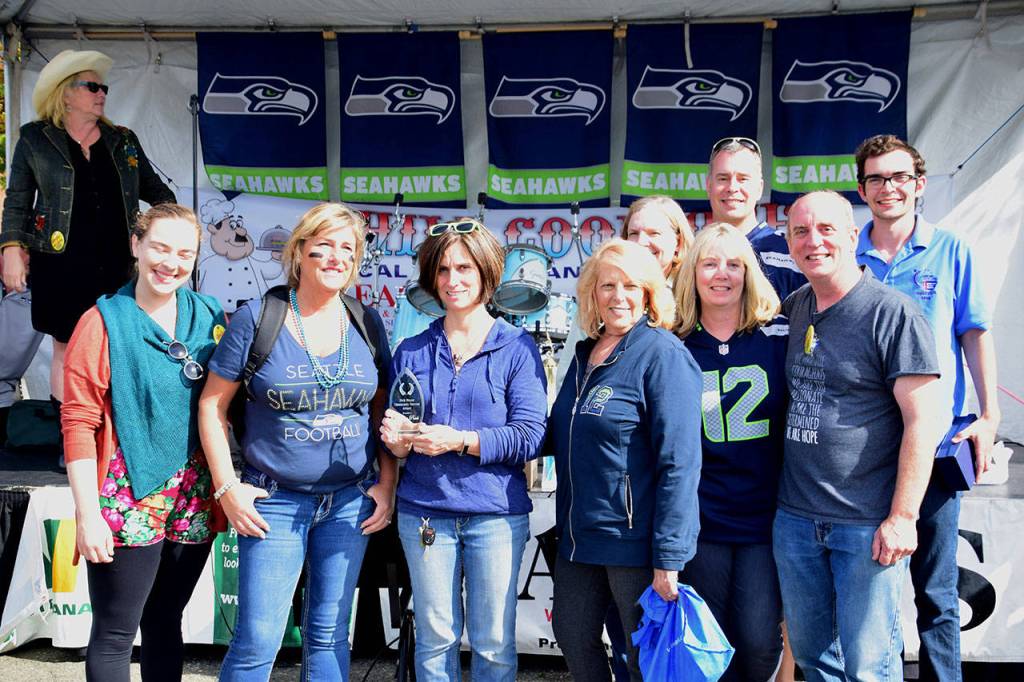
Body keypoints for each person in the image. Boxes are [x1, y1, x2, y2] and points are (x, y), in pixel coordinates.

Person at [198, 203, 396, 680]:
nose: (335, 257)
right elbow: (211, 406)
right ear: (300, 251)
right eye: (323, 245)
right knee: (257, 641)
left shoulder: (366, 323)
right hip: (275, 501)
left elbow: (383, 411)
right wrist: (228, 488)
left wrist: (386, 484)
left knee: (329, 637)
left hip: (349, 503)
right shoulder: (258, 317)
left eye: (346, 249)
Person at [774, 191, 944, 681]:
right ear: (789, 241)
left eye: (827, 229)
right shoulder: (796, 308)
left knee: (871, 667)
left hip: (866, 525)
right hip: (796, 520)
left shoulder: (893, 313)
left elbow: (923, 420)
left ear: (853, 236)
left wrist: (903, 517)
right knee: (813, 659)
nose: (814, 241)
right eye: (801, 232)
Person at [855, 134, 999, 682]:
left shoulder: (951, 249)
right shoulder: (849, 252)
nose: (887, 188)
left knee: (936, 592)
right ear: (862, 188)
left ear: (918, 185)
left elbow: (975, 335)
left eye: (898, 177)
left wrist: (989, 416)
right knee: (873, 588)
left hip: (935, 441)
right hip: (865, 444)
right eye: (875, 179)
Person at [379, 218, 548, 682]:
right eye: (444, 270)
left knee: (493, 643)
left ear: (488, 275)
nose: (454, 280)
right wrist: (395, 439)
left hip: (495, 514)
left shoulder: (518, 347)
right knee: (435, 638)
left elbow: (531, 436)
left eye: (466, 268)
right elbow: (397, 428)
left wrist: (462, 440)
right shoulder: (411, 350)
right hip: (425, 512)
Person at [61, 204, 225, 681]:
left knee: (164, 621)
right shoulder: (102, 321)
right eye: (159, 247)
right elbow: (78, 422)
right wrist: (87, 514)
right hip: (126, 492)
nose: (170, 263)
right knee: (115, 634)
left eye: (184, 253)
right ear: (136, 246)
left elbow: (227, 399)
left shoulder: (210, 315)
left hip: (193, 495)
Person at [0, 49, 175, 466]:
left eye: (104, 88)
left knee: (118, 348)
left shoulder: (123, 140)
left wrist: (158, 233)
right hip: (59, 263)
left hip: (116, 260)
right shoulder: (35, 139)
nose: (101, 94)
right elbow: (18, 201)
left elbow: (159, 192)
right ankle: (73, 444)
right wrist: (10, 249)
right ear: (66, 95)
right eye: (92, 87)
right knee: (67, 349)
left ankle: (115, 440)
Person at [548, 238, 702, 682]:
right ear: (592, 294)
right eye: (607, 285)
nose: (619, 297)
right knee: (574, 637)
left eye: (631, 286)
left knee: (644, 662)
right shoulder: (583, 356)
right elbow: (555, 434)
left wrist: (669, 557)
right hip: (578, 540)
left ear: (649, 293)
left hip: (634, 545)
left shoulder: (663, 354)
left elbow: (681, 463)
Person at [674, 224, 787, 681]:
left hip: (763, 515)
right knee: (709, 644)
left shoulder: (777, 337)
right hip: (703, 518)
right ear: (692, 273)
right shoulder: (674, 343)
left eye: (735, 264)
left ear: (750, 272)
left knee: (760, 643)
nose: (722, 274)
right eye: (710, 263)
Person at [555, 194, 694, 390]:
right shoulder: (600, 297)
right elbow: (568, 378)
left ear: (678, 243)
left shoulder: (693, 296)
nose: (641, 242)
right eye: (633, 233)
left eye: (654, 233)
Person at [705, 137, 805, 299]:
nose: (732, 188)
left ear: (759, 188)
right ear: (708, 186)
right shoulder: (691, 253)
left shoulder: (790, 251)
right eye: (723, 178)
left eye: (743, 179)